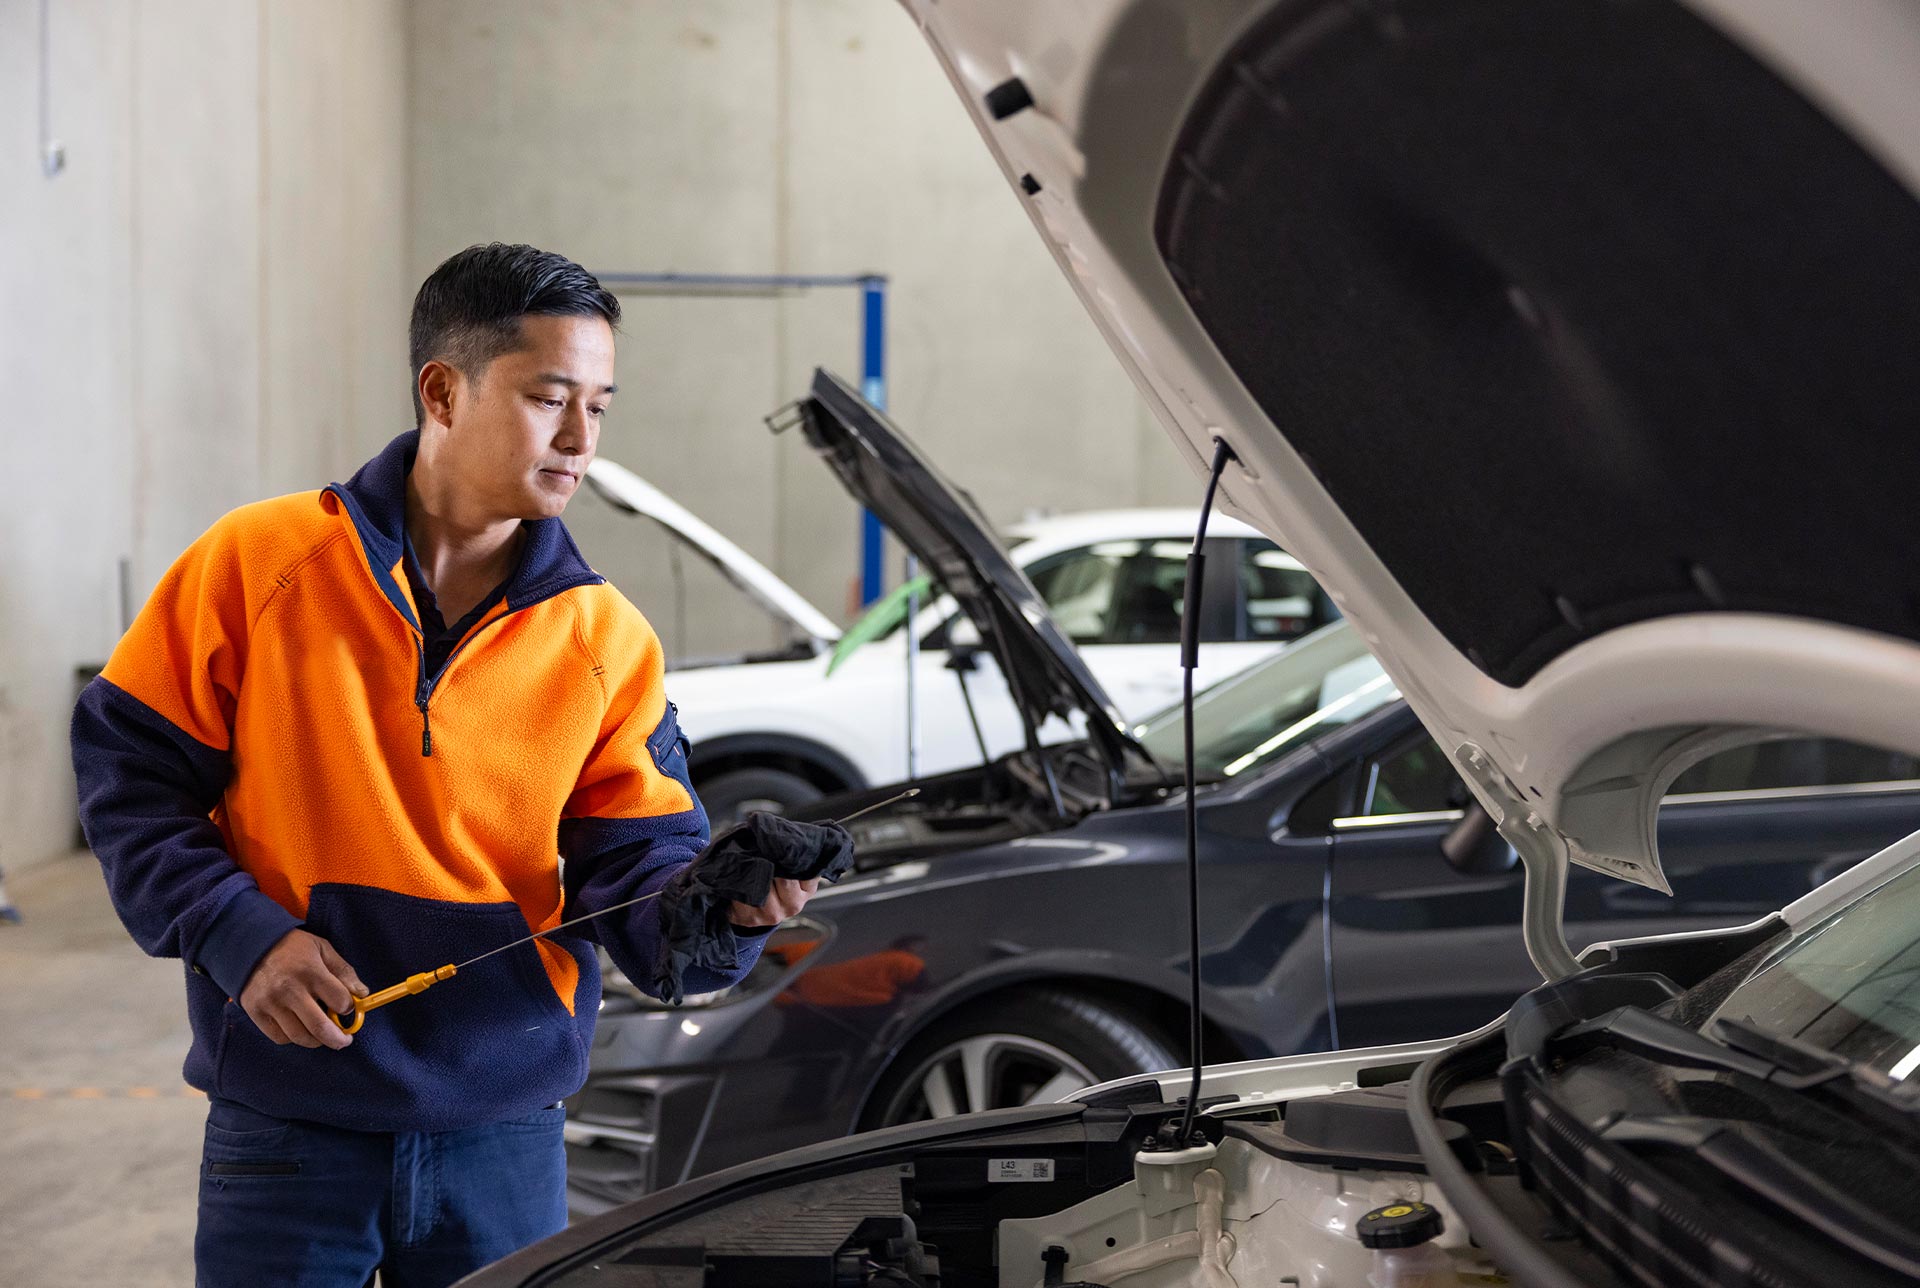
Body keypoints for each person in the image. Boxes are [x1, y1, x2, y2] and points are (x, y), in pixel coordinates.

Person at [71, 243, 817, 1287]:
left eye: (600, 405)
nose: (579, 438)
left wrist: (725, 910)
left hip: (503, 1138)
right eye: (550, 396)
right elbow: (129, 783)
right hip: (289, 1121)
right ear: (443, 391)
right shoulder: (255, 566)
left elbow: (642, 885)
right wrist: (241, 938)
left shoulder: (608, 639)